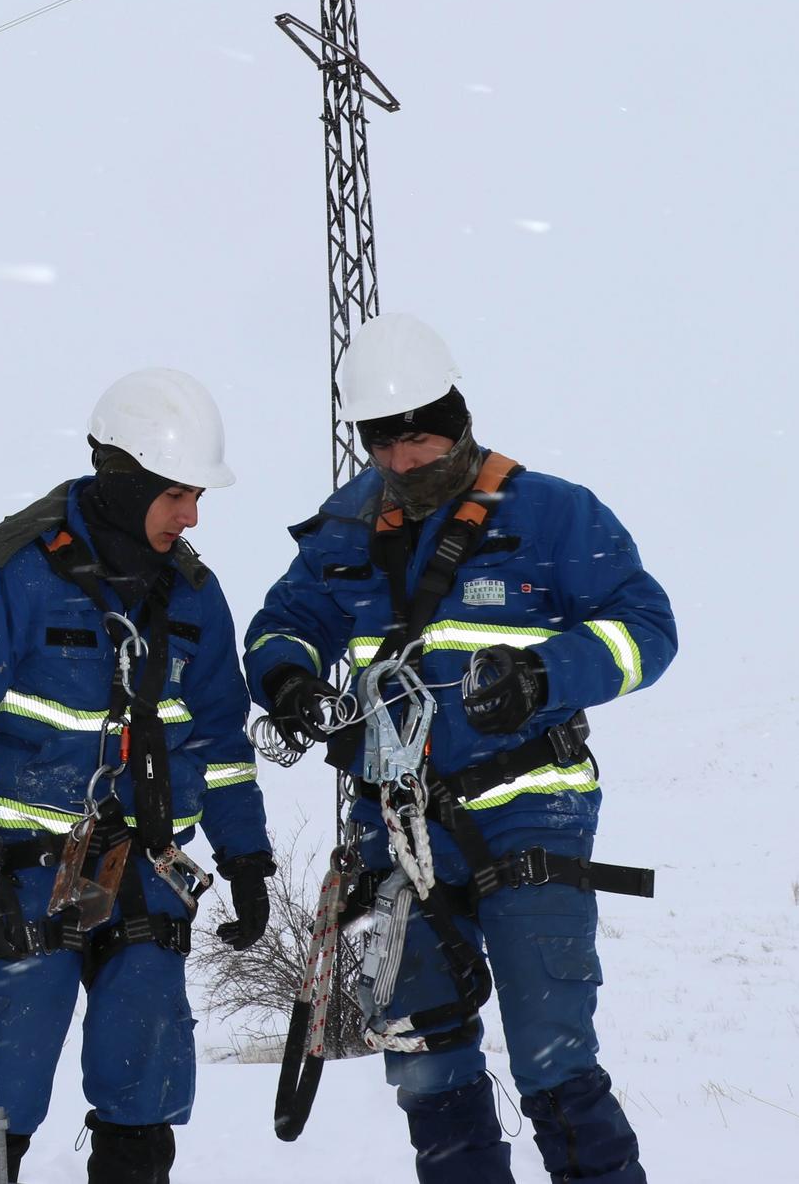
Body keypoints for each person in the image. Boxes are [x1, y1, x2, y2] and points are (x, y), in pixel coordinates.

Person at [243, 313, 674, 1184]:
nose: (404, 461)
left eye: (422, 439)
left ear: (458, 417)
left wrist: (543, 673)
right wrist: (289, 680)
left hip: (528, 815)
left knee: (556, 1063)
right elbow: (280, 626)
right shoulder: (342, 532)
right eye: (384, 445)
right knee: (429, 1072)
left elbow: (647, 628)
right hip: (396, 832)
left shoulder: (551, 514)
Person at [0, 367, 274, 1184]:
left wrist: (247, 857)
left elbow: (220, 739)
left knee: (144, 1082)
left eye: (197, 497)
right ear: (128, 479)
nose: (192, 514)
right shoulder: (13, 571)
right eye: (178, 493)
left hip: (148, 875)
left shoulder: (194, 596)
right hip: (22, 875)